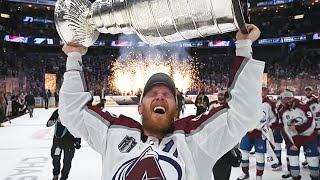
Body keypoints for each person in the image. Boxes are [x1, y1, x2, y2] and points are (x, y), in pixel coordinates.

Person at [59, 24, 265, 179]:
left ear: (177, 110)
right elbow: (73, 113)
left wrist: (244, 45)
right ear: (140, 107)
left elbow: (243, 113)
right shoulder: (114, 133)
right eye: (152, 93)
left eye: (167, 95)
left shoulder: (194, 139)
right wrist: (74, 56)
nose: (159, 96)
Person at [237, 85, 278, 180]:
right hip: (247, 133)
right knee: (244, 154)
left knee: (260, 156)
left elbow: (275, 119)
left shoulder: (270, 103)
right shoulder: (250, 100)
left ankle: (259, 176)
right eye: (260, 89)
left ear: (267, 91)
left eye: (264, 89)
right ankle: (245, 173)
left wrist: (267, 127)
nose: (262, 91)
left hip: (260, 134)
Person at [277, 91, 319, 180]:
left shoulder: (303, 106)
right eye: (285, 100)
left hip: (308, 136)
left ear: (293, 98)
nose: (287, 101)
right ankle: (295, 177)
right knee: (293, 160)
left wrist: (298, 129)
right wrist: (289, 143)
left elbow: (310, 121)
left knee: (312, 160)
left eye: (289, 98)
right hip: (294, 139)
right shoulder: (281, 111)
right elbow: (283, 129)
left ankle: (315, 177)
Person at [211, 89, 241, 180]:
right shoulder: (212, 106)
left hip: (226, 146)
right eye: (219, 95)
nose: (220, 97)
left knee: (224, 173)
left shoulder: (231, 108)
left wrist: (235, 145)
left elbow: (235, 126)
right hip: (214, 146)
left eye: (222, 95)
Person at [47, 109, 81, 180]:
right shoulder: (58, 112)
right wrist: (55, 120)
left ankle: (64, 178)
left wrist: (78, 141)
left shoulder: (74, 112)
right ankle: (55, 175)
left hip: (70, 142)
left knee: (67, 162)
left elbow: (78, 128)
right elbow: (48, 124)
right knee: (56, 159)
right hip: (57, 141)